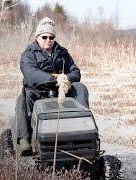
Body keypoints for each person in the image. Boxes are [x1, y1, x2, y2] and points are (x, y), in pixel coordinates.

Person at [17, 17, 89, 154]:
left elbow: (76, 72)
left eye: (51, 37)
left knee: (80, 87)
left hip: (61, 91)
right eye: (44, 37)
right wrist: (54, 79)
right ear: (38, 37)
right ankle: (24, 139)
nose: (48, 40)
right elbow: (30, 73)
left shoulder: (62, 52)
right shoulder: (28, 54)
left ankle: (83, 128)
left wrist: (65, 78)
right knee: (22, 99)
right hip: (37, 91)